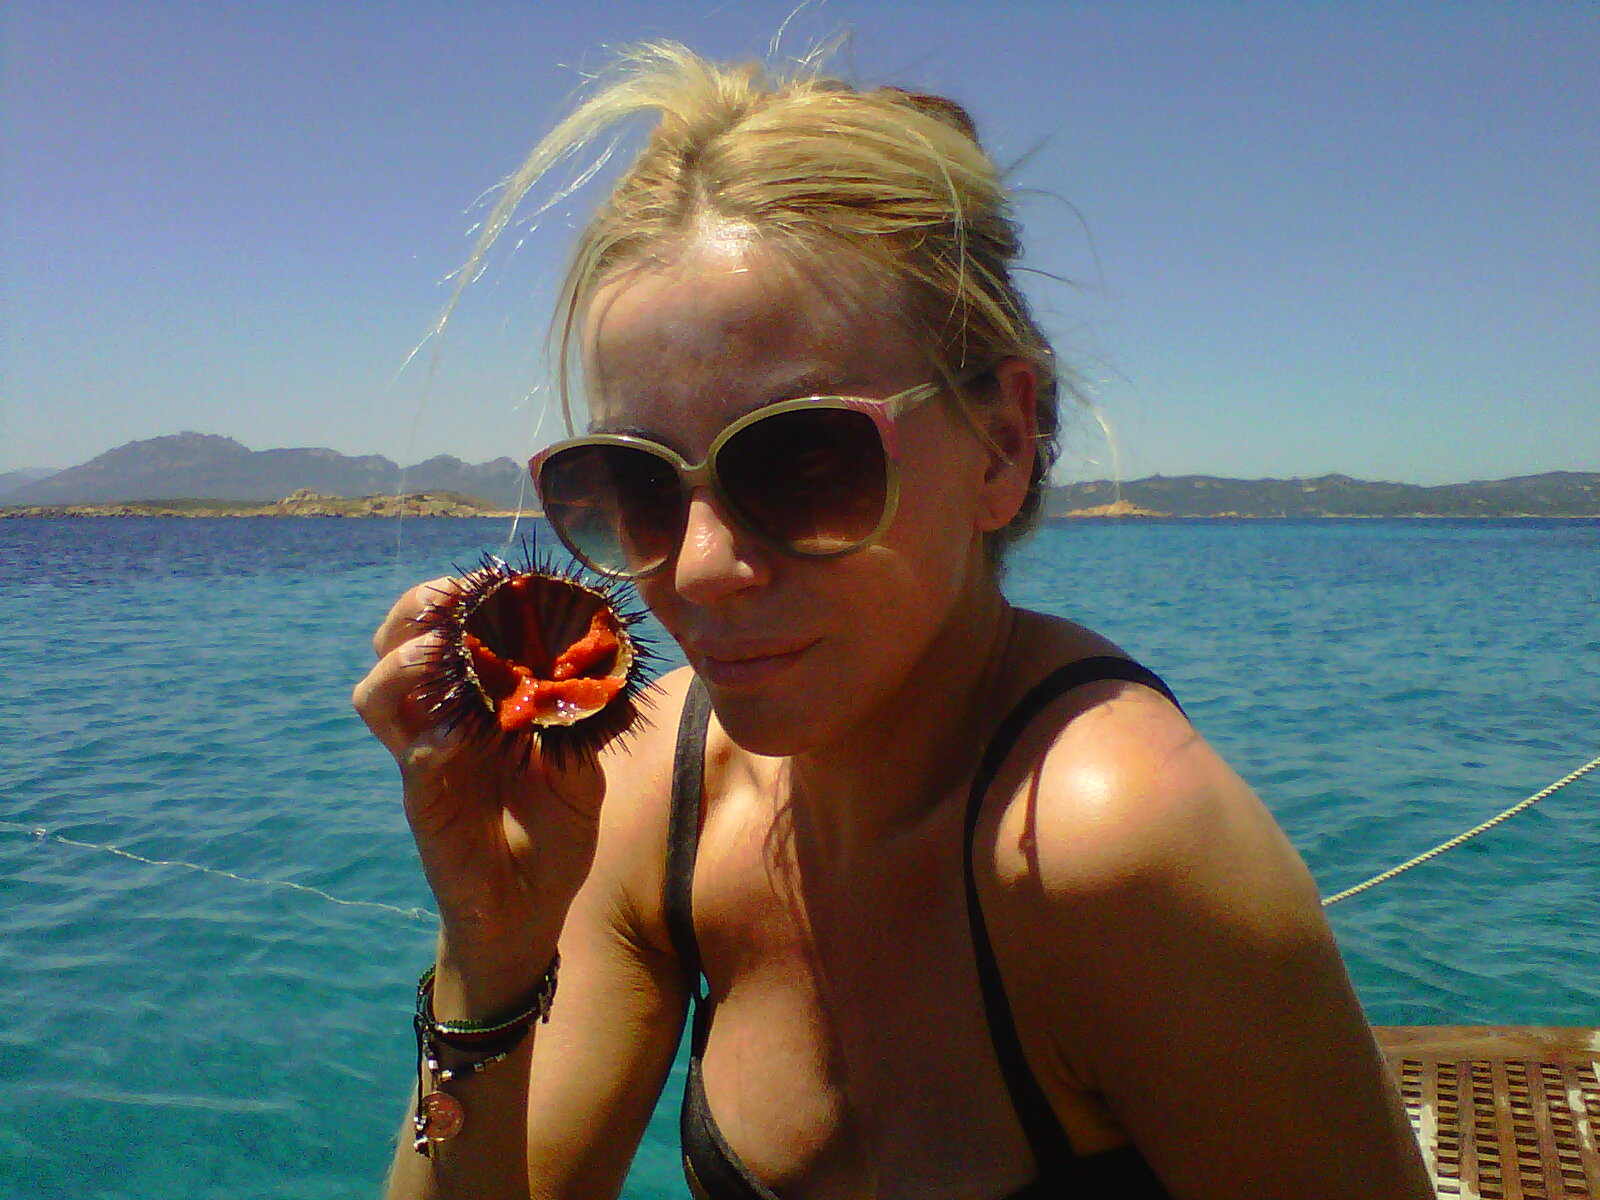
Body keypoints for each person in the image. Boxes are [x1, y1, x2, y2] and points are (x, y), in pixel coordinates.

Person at [355, 43, 1434, 1200]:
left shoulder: (1109, 847)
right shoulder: (649, 794)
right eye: (637, 484)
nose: (702, 569)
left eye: (804, 461)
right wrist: (488, 952)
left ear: (999, 447)